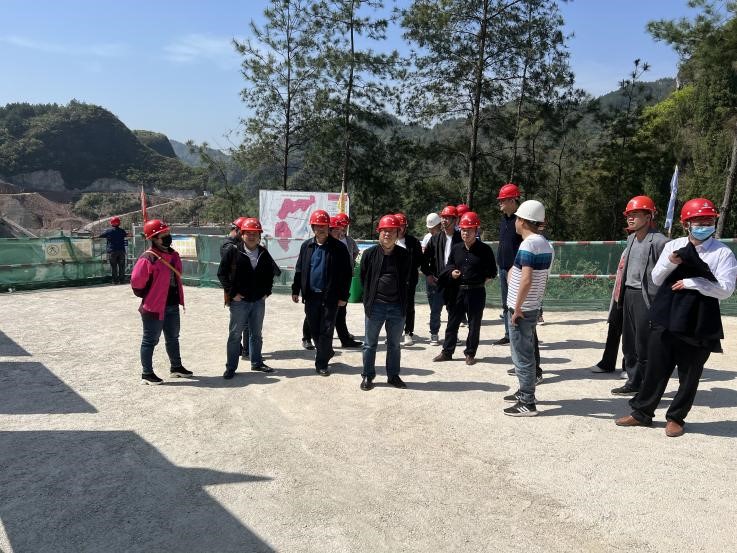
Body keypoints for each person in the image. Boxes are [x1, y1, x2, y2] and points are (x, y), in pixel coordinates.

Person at [616, 198, 737, 437]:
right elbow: (656, 278)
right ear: (686, 224)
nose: (704, 225)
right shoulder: (674, 245)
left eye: (708, 221)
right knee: (656, 366)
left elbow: (726, 289)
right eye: (698, 221)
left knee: (690, 373)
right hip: (667, 314)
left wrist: (693, 283)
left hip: (699, 319)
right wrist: (671, 263)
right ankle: (642, 413)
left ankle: (676, 417)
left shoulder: (722, 253)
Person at [608, 196, 669, 396]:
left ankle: (647, 387)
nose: (630, 218)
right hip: (629, 294)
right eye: (628, 215)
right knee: (629, 343)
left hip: (647, 298)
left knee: (645, 344)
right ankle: (634, 381)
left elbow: (667, 274)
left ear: (648, 216)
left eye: (635, 214)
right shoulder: (631, 238)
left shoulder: (660, 242)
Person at [503, 200, 553, 416]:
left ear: (522, 221)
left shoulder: (528, 244)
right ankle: (524, 391)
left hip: (521, 309)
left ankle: (527, 401)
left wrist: (517, 308)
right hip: (532, 306)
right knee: (527, 351)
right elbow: (540, 278)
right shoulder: (545, 244)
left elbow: (526, 279)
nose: (515, 221)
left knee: (522, 356)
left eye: (517, 218)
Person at [218, 217, 281, 379]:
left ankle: (257, 362)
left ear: (259, 235)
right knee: (235, 335)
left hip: (258, 301)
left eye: (255, 233)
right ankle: (231, 367)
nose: (252, 236)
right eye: (248, 233)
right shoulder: (233, 251)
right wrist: (232, 293)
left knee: (256, 334)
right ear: (242, 234)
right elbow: (222, 273)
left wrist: (267, 292)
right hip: (239, 302)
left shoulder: (263, 253)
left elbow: (270, 274)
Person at [131, 219, 192, 384]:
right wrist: (151, 295)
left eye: (167, 233)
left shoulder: (173, 255)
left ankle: (176, 367)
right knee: (150, 340)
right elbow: (137, 283)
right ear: (154, 238)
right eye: (162, 235)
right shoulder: (148, 258)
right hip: (154, 307)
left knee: (173, 337)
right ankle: (147, 374)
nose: (167, 237)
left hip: (172, 304)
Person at [292, 210, 352, 376]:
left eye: (324, 226)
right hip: (311, 296)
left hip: (330, 297)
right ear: (312, 227)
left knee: (326, 330)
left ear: (328, 227)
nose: (321, 229)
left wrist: (344, 297)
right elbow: (300, 269)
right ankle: (326, 352)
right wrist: (295, 289)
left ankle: (321, 363)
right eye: (317, 226)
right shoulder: (307, 246)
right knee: (314, 329)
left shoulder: (339, 248)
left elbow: (346, 274)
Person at [432, 211, 497, 365]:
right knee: (452, 323)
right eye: (463, 230)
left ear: (476, 230)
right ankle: (447, 352)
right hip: (457, 291)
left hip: (476, 292)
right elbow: (449, 265)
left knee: (474, 325)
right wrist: (451, 273)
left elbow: (492, 272)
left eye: (469, 230)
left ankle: (470, 353)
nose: (465, 233)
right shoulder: (456, 248)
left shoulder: (485, 250)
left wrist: (480, 280)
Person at [359, 214, 411, 390]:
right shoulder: (369, 254)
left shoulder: (404, 255)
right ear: (379, 232)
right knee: (369, 344)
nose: (387, 234)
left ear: (398, 234)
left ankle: (393, 375)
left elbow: (408, 279)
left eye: (391, 231)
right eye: (384, 231)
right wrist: (369, 301)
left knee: (394, 345)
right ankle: (367, 376)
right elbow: (364, 278)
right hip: (375, 306)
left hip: (397, 307)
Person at [422, 205, 462, 345]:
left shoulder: (461, 238)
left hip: (455, 282)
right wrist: (428, 275)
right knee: (435, 310)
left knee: (453, 310)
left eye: (448, 218)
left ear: (455, 220)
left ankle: (453, 334)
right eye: (443, 217)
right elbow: (424, 260)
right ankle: (434, 334)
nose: (444, 220)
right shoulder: (435, 238)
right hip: (438, 281)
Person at [494, 183, 523, 345]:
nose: (500, 203)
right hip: (503, 268)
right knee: (506, 304)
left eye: (503, 200)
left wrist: (517, 266)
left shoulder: (521, 220)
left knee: (517, 304)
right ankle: (508, 334)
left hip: (516, 270)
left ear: (512, 200)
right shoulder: (504, 219)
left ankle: (519, 335)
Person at [329, 215, 362, 348]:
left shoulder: (348, 241)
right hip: (327, 284)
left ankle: (344, 338)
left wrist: (350, 264)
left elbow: (355, 252)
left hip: (343, 279)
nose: (342, 229)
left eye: (344, 227)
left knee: (341, 310)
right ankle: (308, 337)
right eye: (338, 227)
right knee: (317, 312)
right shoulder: (323, 244)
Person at [221, 217, 251, 360]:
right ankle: (245, 350)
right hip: (236, 290)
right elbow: (224, 273)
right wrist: (232, 292)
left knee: (243, 323)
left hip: (239, 289)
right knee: (241, 323)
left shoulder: (233, 244)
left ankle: (242, 349)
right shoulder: (229, 247)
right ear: (238, 230)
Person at [395, 212, 423, 346]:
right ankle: (392, 333)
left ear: (405, 227)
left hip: (409, 280)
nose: (400, 229)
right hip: (391, 281)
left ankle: (408, 332)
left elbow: (419, 260)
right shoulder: (389, 239)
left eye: (402, 226)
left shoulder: (413, 242)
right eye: (398, 226)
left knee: (409, 306)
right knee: (392, 307)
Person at [99, 216, 127, 284]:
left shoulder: (109, 231)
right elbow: (125, 234)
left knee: (113, 267)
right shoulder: (122, 231)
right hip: (121, 251)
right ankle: (122, 280)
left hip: (112, 251)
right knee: (122, 266)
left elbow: (101, 235)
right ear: (119, 223)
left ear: (111, 223)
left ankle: (115, 281)